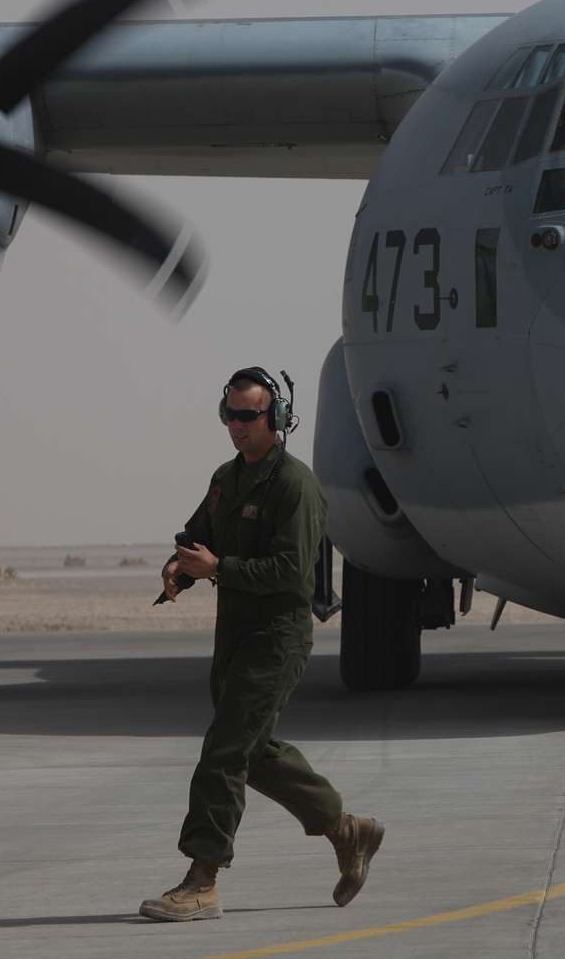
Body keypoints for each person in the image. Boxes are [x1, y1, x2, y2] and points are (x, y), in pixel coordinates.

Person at [139, 367, 383, 922]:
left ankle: (202, 880)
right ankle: (348, 830)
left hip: (276, 638)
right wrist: (180, 568)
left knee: (224, 752)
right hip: (235, 636)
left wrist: (218, 567)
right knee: (252, 751)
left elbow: (292, 572)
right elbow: (197, 537)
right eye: (230, 415)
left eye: (249, 416)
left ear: (275, 419)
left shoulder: (296, 485)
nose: (238, 426)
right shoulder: (227, 479)